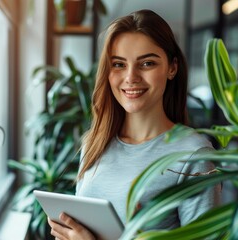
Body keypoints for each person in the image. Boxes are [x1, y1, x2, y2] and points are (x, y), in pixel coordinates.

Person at [48, 9, 221, 240]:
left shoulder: (193, 154)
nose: (131, 77)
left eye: (147, 63)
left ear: (172, 68)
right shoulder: (95, 142)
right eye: (119, 64)